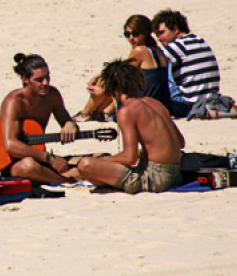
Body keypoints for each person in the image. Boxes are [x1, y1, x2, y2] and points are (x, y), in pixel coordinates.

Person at [75, 59, 184, 193]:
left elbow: (129, 158)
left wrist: (102, 159)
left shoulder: (127, 111)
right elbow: (180, 142)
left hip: (155, 178)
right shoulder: (154, 103)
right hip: (176, 174)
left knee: (85, 165)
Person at [0, 53, 79, 184]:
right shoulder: (14, 102)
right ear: (25, 79)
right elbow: (10, 144)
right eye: (39, 80)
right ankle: (67, 182)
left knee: (87, 163)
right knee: (28, 166)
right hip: (15, 162)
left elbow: (66, 120)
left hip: (40, 158)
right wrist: (49, 159)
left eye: (47, 77)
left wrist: (70, 124)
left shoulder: (52, 95)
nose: (45, 83)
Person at [74, 14, 171, 122]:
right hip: (161, 104)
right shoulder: (157, 50)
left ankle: (85, 113)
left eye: (135, 34)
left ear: (145, 32)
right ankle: (98, 113)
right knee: (108, 79)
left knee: (104, 81)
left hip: (145, 106)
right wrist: (99, 75)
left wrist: (101, 88)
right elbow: (123, 67)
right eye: (127, 34)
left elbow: (118, 74)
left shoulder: (139, 51)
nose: (131, 38)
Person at [151, 9, 220, 118]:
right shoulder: (200, 40)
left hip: (188, 105)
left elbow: (150, 62)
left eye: (161, 33)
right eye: (157, 35)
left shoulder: (177, 46)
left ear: (175, 29)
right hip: (210, 102)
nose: (159, 38)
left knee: (156, 64)